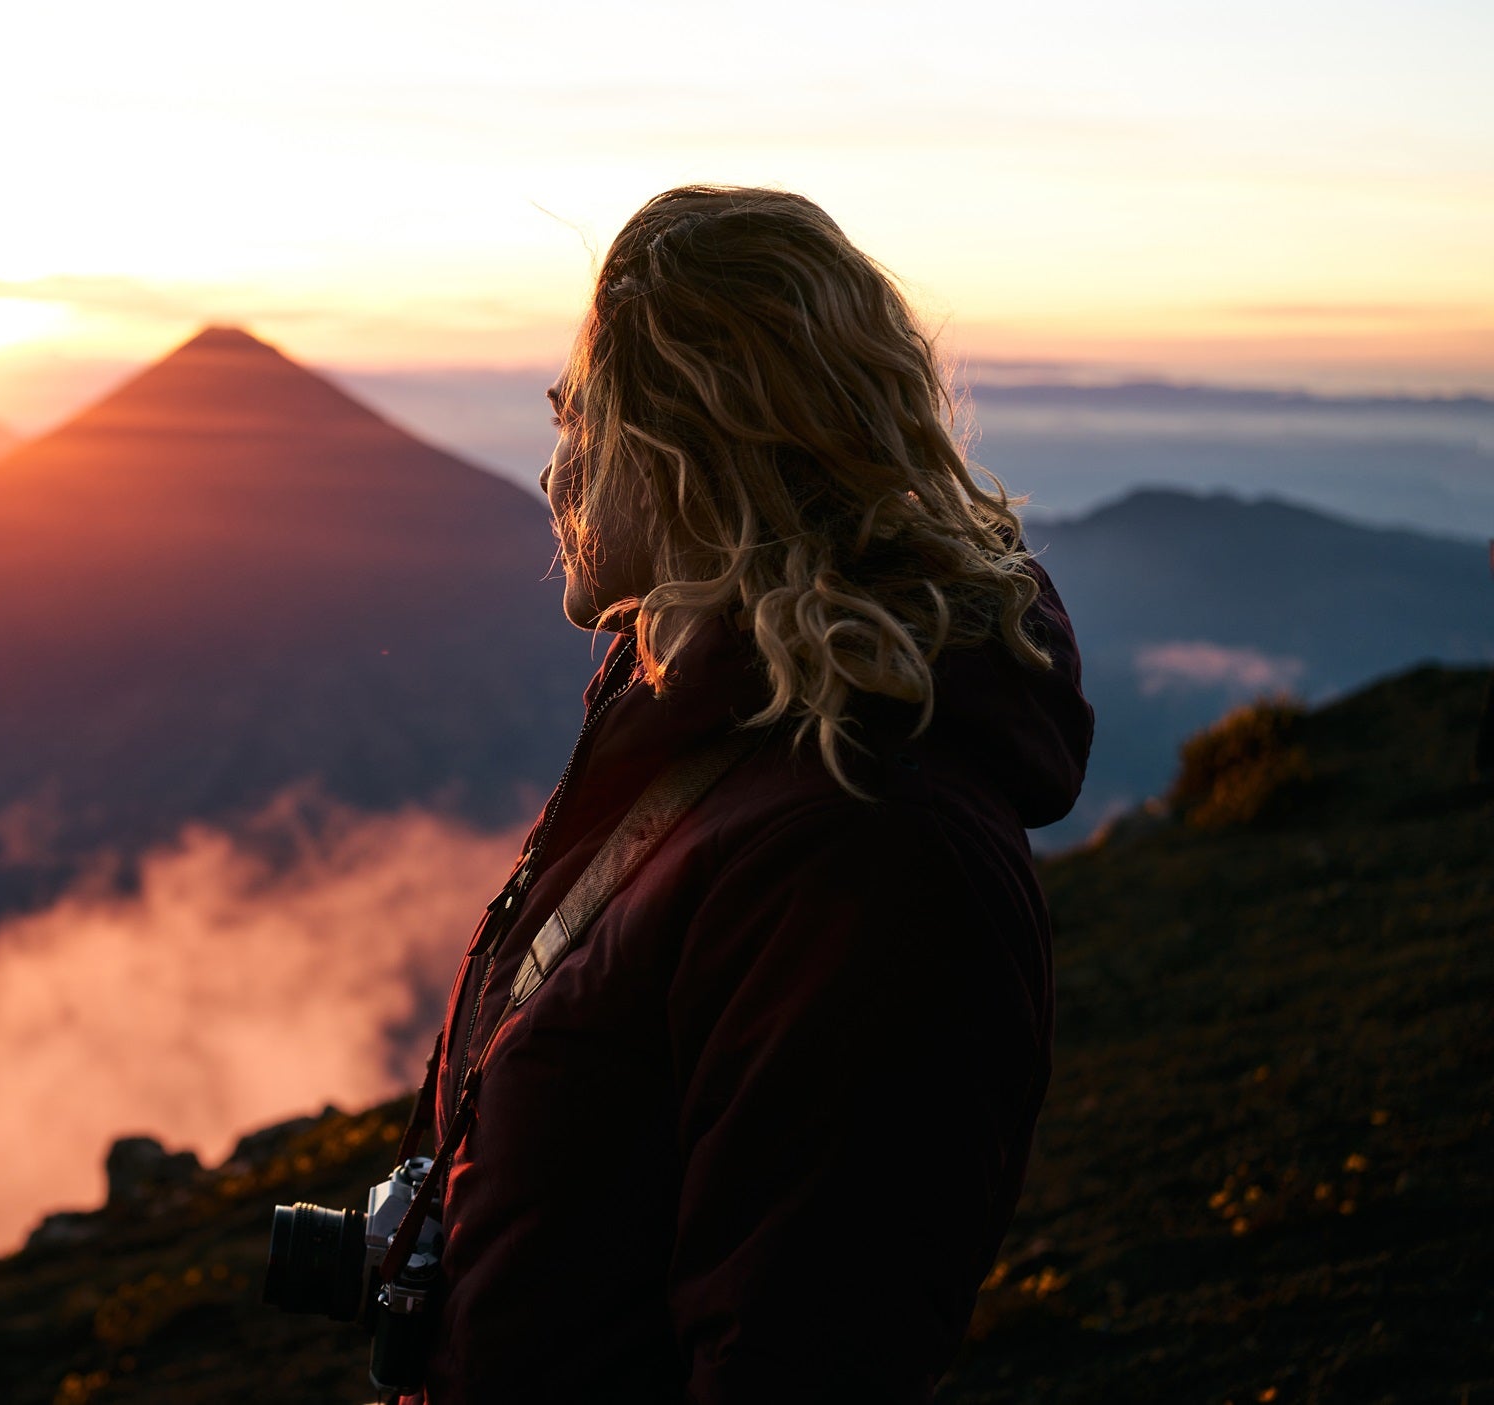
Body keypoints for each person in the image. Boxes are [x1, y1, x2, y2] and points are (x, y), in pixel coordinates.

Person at [411, 187, 1094, 1402]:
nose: (552, 461)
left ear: (687, 439)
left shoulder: (867, 852)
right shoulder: (702, 746)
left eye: (579, 412)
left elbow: (803, 1350)